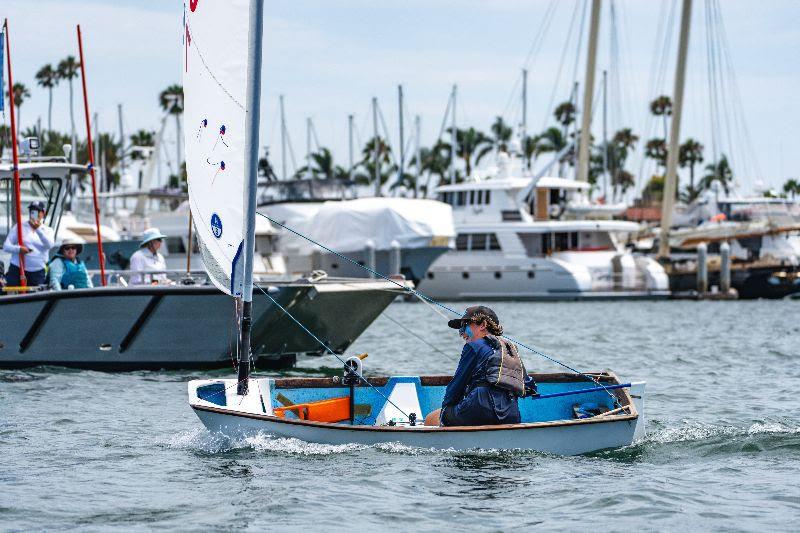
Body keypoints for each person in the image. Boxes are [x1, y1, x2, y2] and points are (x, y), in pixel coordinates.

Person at [425, 306, 527, 427]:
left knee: (431, 418)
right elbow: (527, 385)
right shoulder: (510, 349)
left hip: (479, 409)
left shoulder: (474, 346)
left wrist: (445, 410)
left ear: (483, 325)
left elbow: (457, 385)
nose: (462, 333)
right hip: (511, 414)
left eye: (464, 326)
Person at [2, 200, 55, 286]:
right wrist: (19, 249)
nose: (34, 213)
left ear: (43, 213)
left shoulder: (48, 230)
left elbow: (49, 245)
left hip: (38, 272)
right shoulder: (19, 227)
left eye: (38, 211)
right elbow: (6, 246)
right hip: (17, 269)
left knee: (37, 297)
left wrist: (38, 229)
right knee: (13, 296)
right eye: (32, 211)